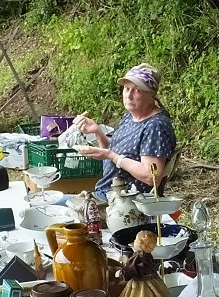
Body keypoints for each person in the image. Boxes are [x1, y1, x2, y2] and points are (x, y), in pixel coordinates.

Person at [74, 63, 176, 200]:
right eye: (127, 89)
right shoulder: (130, 115)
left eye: (137, 90)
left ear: (152, 95)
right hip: (106, 193)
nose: (129, 95)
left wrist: (112, 156)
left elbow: (151, 176)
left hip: (126, 204)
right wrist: (97, 132)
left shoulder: (155, 126)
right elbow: (119, 151)